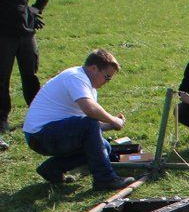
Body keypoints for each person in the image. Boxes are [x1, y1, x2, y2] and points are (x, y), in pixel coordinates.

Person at [24, 48, 134, 191]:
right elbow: (90, 112)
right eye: (107, 77)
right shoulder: (76, 77)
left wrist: (110, 125)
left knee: (104, 147)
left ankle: (51, 168)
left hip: (49, 134)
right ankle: (105, 179)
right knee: (90, 126)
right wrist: (113, 120)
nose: (107, 82)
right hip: (39, 135)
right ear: (94, 68)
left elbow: (88, 129)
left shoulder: (89, 87)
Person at [0, 0, 50, 135]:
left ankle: (37, 113)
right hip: (3, 37)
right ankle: (2, 119)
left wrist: (35, 10)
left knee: (30, 76)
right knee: (2, 78)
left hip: (26, 35)